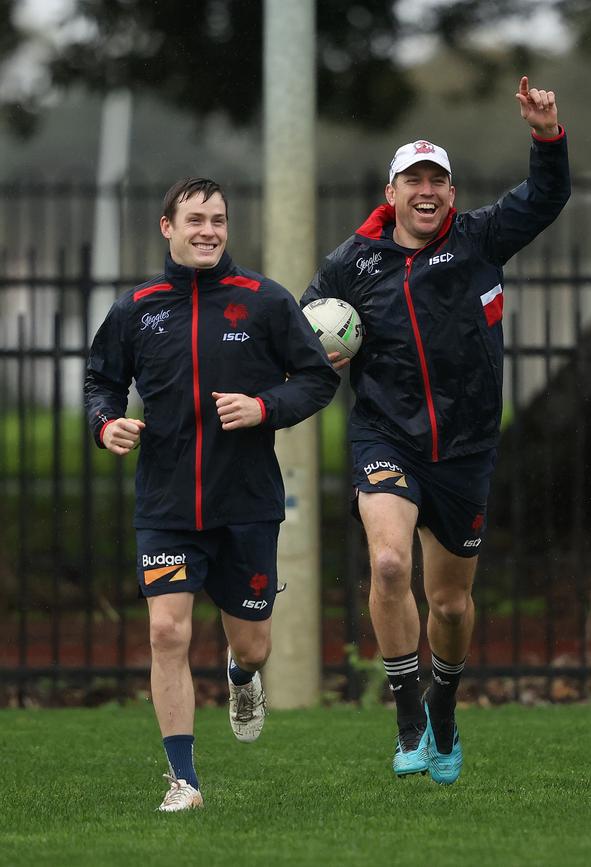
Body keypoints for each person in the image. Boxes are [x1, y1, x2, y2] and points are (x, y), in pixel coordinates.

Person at [301, 77, 570, 784]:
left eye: (438, 180)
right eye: (413, 179)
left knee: (450, 603)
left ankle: (445, 704)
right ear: (391, 192)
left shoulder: (480, 239)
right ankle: (408, 716)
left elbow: (546, 197)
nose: (427, 190)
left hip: (466, 447)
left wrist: (545, 132)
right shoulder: (351, 263)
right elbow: (307, 330)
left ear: (450, 193)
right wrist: (317, 356)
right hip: (386, 437)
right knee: (389, 564)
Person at [85, 177, 339, 811]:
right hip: (166, 506)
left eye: (219, 219)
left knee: (252, 642)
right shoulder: (135, 309)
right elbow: (101, 384)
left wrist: (262, 407)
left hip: (247, 501)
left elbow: (315, 380)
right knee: (167, 633)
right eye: (195, 219)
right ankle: (183, 780)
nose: (208, 230)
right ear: (167, 227)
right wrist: (106, 424)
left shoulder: (264, 301)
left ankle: (242, 673)